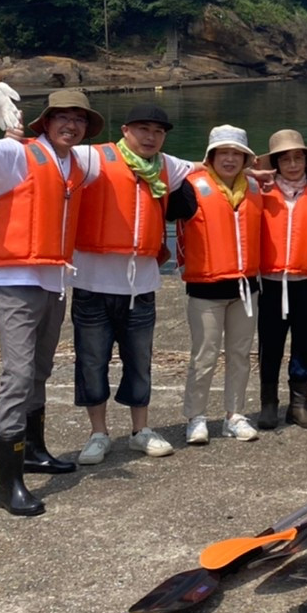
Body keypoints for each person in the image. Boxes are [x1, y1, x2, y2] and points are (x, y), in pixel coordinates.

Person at [0, 78, 103, 517]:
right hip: (15, 280)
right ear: (45, 122)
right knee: (17, 374)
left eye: (79, 119)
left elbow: (138, 158)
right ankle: (7, 483)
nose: (71, 125)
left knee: (39, 370)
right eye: (63, 118)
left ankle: (33, 451)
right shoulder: (16, 153)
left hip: (54, 281)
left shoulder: (76, 164)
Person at [70, 103, 195, 465]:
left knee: (139, 361)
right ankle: (98, 433)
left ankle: (140, 431)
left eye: (158, 131)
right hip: (93, 285)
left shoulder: (166, 167)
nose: (150, 136)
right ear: (125, 130)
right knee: (92, 361)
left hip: (140, 287)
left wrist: (263, 169)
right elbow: (51, 152)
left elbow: (213, 167)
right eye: (143, 129)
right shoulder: (92, 159)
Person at [168, 125, 263, 444]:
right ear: (210, 156)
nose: (230, 158)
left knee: (240, 354)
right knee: (204, 355)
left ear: (246, 159)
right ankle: (196, 417)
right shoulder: (189, 188)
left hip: (245, 288)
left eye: (236, 153)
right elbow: (159, 183)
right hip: (205, 289)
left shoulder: (255, 188)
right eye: (223, 152)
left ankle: (234, 415)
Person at [255, 129, 307, 431]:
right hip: (271, 279)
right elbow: (220, 169)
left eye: (298, 157)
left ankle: (298, 405)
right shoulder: (259, 190)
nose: (293, 164)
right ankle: (269, 404)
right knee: (270, 343)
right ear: (274, 163)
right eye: (285, 159)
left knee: (304, 342)